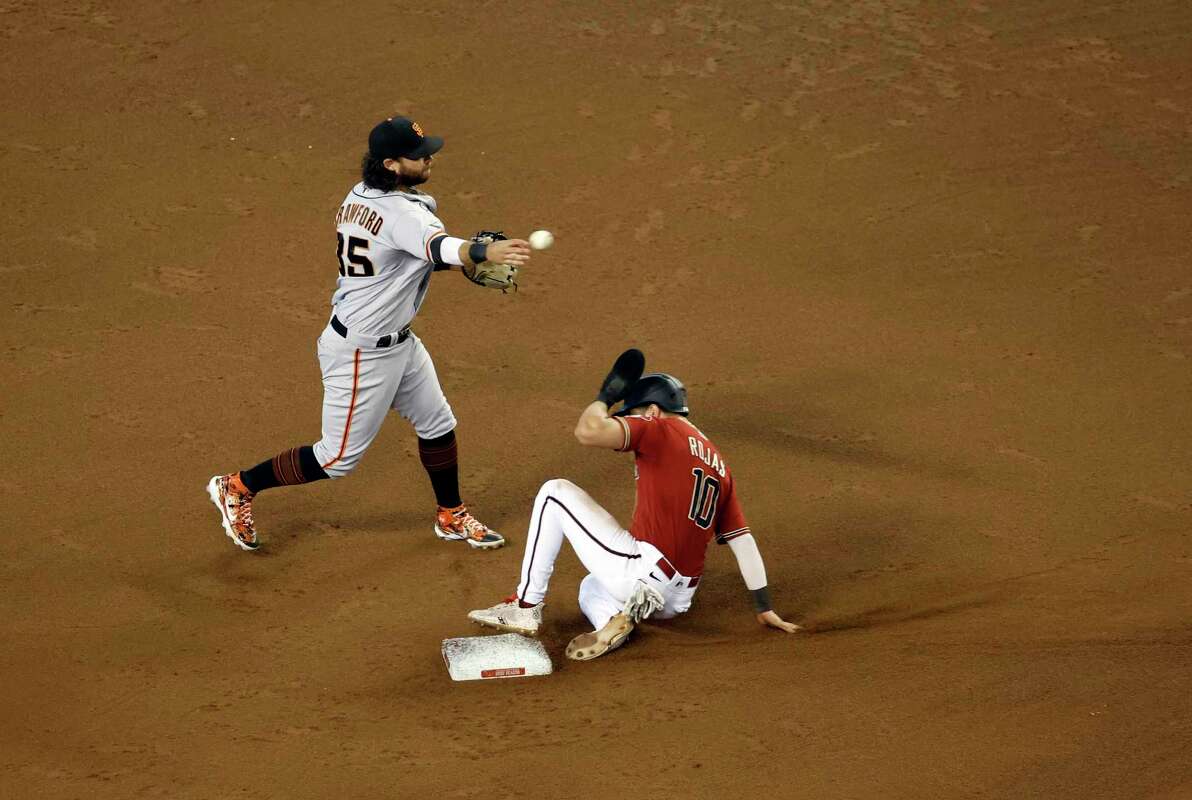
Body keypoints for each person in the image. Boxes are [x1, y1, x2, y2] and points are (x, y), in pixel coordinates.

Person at [206, 115, 531, 552]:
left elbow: (402, 255)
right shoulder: (402, 214)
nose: (429, 158)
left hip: (397, 341)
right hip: (362, 352)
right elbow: (434, 247)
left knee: (438, 424)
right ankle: (239, 486)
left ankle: (450, 514)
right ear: (393, 164)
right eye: (419, 156)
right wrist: (479, 252)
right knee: (336, 459)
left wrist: (460, 259)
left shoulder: (361, 197)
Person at [467, 350, 798, 660]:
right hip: (677, 600)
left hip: (643, 571)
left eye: (631, 415)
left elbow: (588, 431)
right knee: (591, 587)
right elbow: (744, 542)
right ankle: (613, 622)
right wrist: (763, 606)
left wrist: (605, 398)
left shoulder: (659, 427)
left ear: (652, 410)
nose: (627, 421)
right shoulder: (719, 465)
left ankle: (525, 606)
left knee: (554, 493)